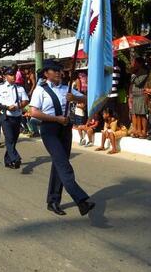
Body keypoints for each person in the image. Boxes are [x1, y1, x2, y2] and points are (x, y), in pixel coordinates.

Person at [29, 61, 95, 217]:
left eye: (60, 70)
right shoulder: (40, 90)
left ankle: (53, 201)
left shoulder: (67, 88)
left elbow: (87, 99)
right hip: (49, 129)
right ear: (46, 73)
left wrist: (76, 98)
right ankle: (81, 201)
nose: (59, 72)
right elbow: (34, 112)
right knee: (64, 165)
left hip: (65, 130)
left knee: (59, 165)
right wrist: (56, 119)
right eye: (55, 70)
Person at [0, 67, 29, 169]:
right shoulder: (1, 88)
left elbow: (25, 101)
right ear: (6, 76)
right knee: (10, 138)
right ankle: (16, 158)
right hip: (6, 116)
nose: (13, 77)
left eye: (14, 75)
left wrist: (18, 106)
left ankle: (7, 160)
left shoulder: (20, 88)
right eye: (11, 75)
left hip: (17, 116)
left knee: (13, 140)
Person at [130, 57, 149, 138]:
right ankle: (138, 130)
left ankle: (144, 131)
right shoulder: (136, 72)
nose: (134, 65)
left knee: (142, 114)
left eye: (135, 63)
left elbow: (138, 82)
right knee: (137, 114)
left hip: (141, 95)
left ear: (140, 63)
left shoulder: (144, 72)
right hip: (135, 95)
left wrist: (133, 75)